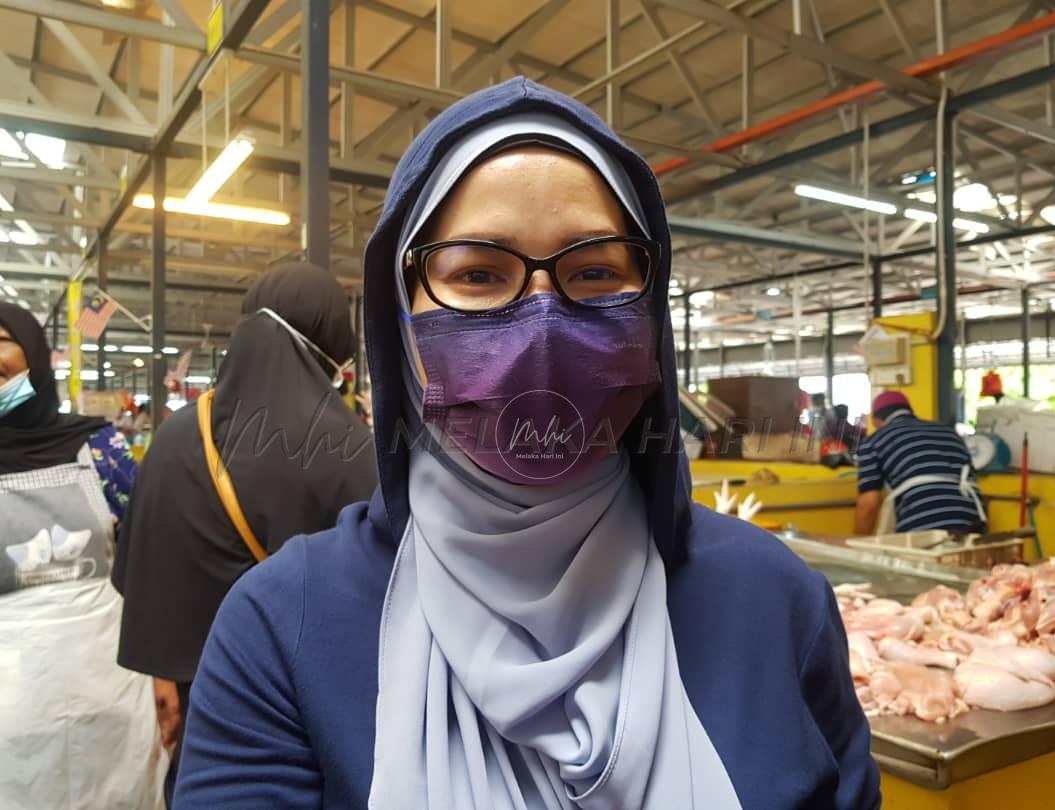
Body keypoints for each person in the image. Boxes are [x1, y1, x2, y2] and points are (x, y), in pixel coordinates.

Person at [174, 79, 879, 809]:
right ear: (400, 319)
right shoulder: (283, 628)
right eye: (478, 274)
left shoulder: (775, 602)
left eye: (596, 272)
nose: (542, 325)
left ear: (650, 311)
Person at [111, 263, 379, 806]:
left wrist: (164, 678)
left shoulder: (176, 435)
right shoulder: (350, 449)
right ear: (330, 339)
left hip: (200, 699)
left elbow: (141, 562)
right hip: (323, 706)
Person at [0, 301, 164, 809]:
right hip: (11, 704)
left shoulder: (96, 446)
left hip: (110, 685)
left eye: (1, 342)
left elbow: (151, 554)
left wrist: (163, 667)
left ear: (33, 354)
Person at [854, 390, 985, 536]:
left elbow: (869, 504)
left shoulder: (873, 441)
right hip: (973, 521)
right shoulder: (949, 432)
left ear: (876, 421)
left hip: (922, 525)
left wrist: (857, 544)